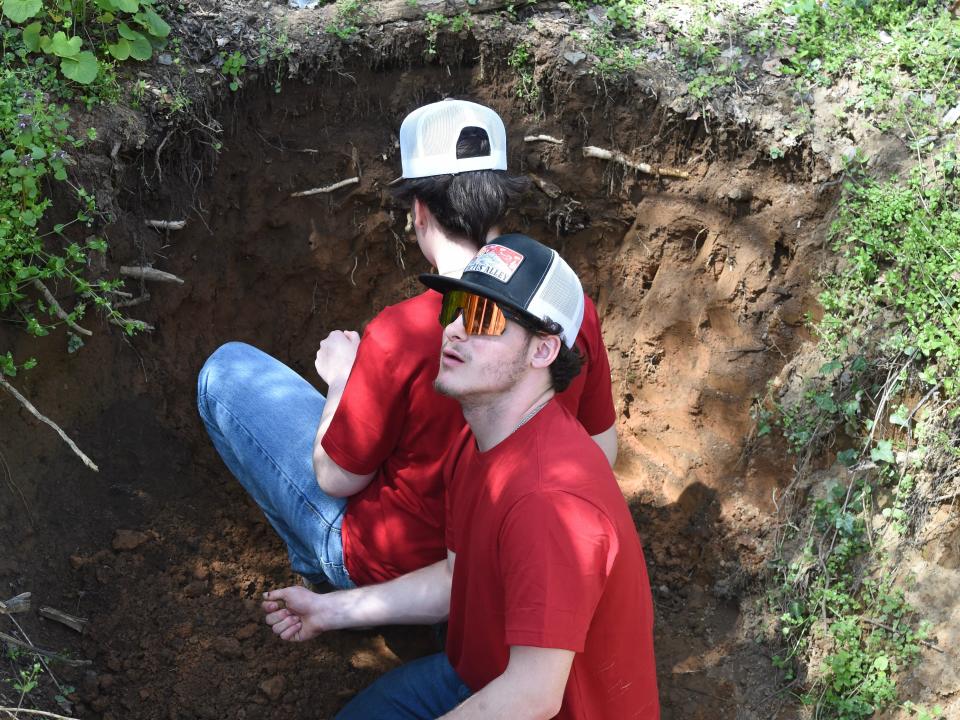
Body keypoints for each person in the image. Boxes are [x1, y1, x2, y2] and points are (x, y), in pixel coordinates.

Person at [196, 99, 618, 591]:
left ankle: (319, 570)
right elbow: (600, 448)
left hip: (387, 563)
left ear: (419, 210)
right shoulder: (569, 307)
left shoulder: (407, 330)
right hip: (506, 561)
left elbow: (336, 478)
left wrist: (341, 380)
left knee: (225, 370)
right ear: (501, 200)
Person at [261, 233, 659, 719]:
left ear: (542, 351)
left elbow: (533, 696)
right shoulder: (479, 441)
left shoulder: (549, 503)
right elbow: (454, 579)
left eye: (484, 317)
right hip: (480, 675)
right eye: (454, 306)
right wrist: (330, 611)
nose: (452, 329)